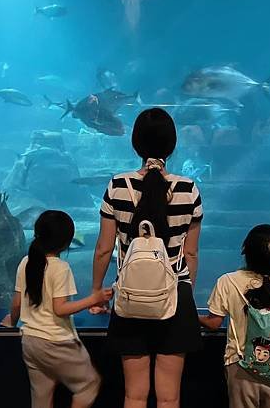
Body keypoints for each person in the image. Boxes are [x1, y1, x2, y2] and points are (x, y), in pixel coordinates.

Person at [91, 107, 203, 408]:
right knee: (169, 397)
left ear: (135, 143)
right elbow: (190, 252)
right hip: (176, 294)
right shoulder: (188, 189)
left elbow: (104, 248)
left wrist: (98, 293)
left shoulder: (117, 186)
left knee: (134, 395)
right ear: (173, 144)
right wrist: (185, 290)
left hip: (130, 294)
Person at [1, 210, 113, 408]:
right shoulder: (60, 268)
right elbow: (60, 309)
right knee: (88, 385)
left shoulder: (25, 262)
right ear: (67, 242)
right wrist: (94, 298)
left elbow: (17, 303)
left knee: (41, 397)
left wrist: (11, 320)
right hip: (56, 342)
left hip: (30, 341)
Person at [199, 224, 270, 408]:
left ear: (246, 252)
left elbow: (213, 323)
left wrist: (191, 314)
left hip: (242, 369)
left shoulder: (227, 281)